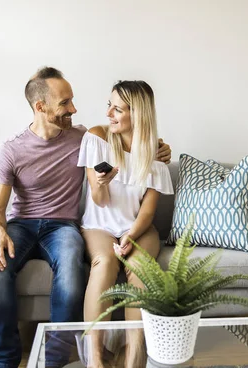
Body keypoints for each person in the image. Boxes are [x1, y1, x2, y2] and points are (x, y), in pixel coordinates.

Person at [0, 67, 171, 368]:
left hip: (62, 226)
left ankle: (55, 361)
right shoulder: (11, 149)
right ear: (40, 107)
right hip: (22, 225)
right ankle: (6, 360)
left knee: (71, 271)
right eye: (65, 102)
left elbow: (132, 144)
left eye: (72, 100)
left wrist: (160, 148)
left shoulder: (82, 136)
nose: (74, 108)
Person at [78, 80, 174, 368]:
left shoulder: (155, 152)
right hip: (100, 224)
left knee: (142, 270)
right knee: (105, 264)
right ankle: (95, 357)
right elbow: (99, 200)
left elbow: (148, 211)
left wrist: (130, 237)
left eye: (117, 109)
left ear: (138, 113)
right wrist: (101, 183)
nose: (109, 113)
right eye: (109, 105)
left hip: (138, 228)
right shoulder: (96, 137)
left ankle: (134, 355)